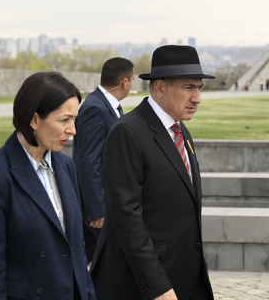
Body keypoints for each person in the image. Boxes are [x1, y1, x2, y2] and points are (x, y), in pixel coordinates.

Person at [91, 45, 214, 300]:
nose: (197, 98)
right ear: (159, 88)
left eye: (199, 88)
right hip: (145, 286)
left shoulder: (180, 130)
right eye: (188, 88)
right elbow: (127, 220)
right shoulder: (128, 132)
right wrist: (157, 286)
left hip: (186, 279)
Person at [0, 71, 95, 300]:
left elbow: (77, 252)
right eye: (64, 120)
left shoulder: (65, 165)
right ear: (34, 120)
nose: (73, 129)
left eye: (74, 119)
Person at [73, 57, 135, 262]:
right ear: (124, 82)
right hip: (97, 207)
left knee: (87, 261)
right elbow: (88, 162)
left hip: (106, 203)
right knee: (113, 260)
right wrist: (96, 210)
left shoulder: (109, 106)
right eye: (132, 79)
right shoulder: (95, 108)